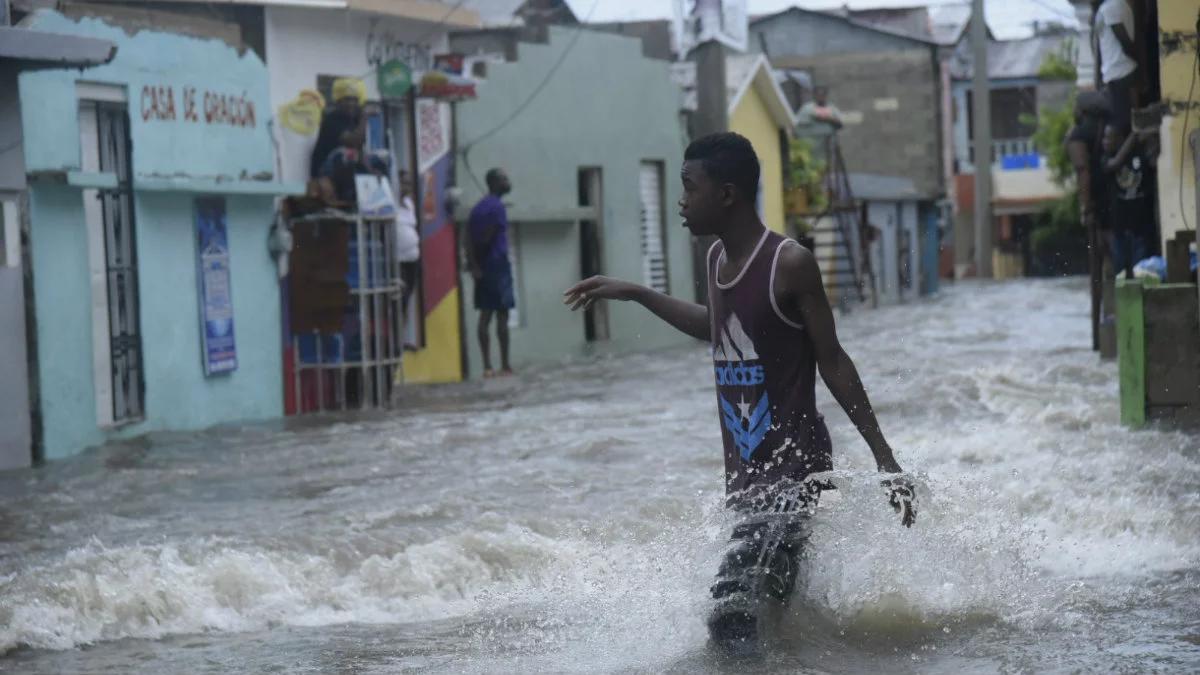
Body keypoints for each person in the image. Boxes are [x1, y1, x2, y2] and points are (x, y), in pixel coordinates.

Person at [563, 133, 915, 648]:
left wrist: (885, 459)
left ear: (726, 195)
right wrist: (637, 293)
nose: (680, 200)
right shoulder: (716, 262)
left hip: (795, 471)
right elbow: (720, 324)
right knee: (769, 610)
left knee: (729, 613)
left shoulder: (788, 263)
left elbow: (833, 360)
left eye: (688, 187)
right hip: (749, 472)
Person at [1065, 92, 1110, 351]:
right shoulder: (1110, 129)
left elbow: (1082, 171)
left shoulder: (1079, 136)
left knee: (1100, 266)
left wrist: (1086, 207)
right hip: (1118, 204)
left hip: (1099, 209)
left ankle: (1099, 336)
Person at [467, 168, 516, 377]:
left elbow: (468, 239)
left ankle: (487, 366)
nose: (508, 181)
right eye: (504, 178)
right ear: (494, 183)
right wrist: (481, 262)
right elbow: (487, 237)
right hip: (496, 265)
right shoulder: (496, 207)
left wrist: (474, 265)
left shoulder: (477, 208)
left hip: (483, 266)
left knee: (485, 315)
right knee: (501, 315)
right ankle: (504, 365)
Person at [1102, 124, 1154, 279]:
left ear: (1119, 139)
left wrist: (1150, 136)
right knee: (1121, 275)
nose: (1105, 142)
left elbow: (1153, 162)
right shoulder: (1106, 159)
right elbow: (1115, 164)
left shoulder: (1139, 155)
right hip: (1120, 228)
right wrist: (1133, 137)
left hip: (1141, 227)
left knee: (1142, 273)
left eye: (1108, 137)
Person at [1093, 0, 1138, 132]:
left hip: (1122, 72)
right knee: (1118, 124)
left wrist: (1137, 64)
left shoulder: (1113, 6)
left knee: (1122, 126)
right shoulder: (1106, 7)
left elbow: (1124, 41)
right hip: (1114, 73)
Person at [310, 78, 367, 180]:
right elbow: (353, 142)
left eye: (354, 100)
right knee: (344, 153)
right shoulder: (331, 119)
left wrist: (371, 170)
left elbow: (359, 149)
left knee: (381, 159)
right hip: (324, 172)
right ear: (338, 102)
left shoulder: (355, 121)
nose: (351, 103)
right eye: (347, 99)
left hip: (344, 171)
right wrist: (364, 117)